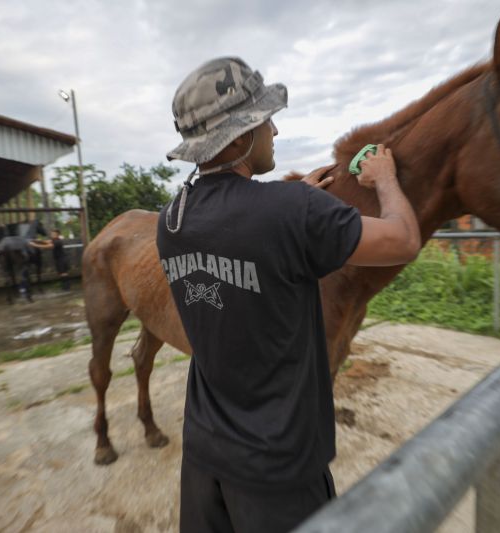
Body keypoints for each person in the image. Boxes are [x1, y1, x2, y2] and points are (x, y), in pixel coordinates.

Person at [156, 57, 420, 533]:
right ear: (238, 138)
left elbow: (240, 223)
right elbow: (403, 241)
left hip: (202, 458)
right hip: (279, 473)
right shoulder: (293, 210)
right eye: (265, 120)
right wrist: (384, 179)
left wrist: (299, 199)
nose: (275, 130)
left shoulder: (171, 219)